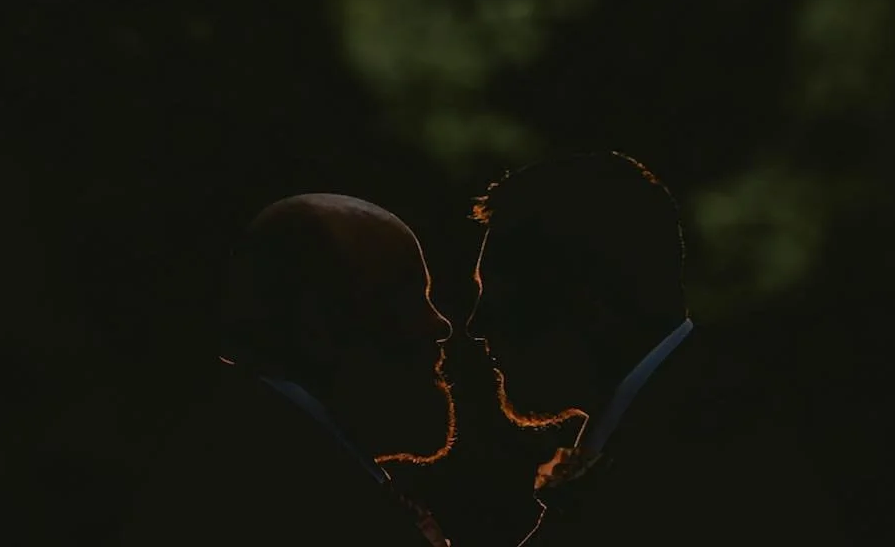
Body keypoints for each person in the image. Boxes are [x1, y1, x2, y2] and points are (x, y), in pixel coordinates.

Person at [467, 152, 845, 546]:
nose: (477, 326)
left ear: (588, 298)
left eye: (501, 298)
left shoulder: (707, 455)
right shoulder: (669, 418)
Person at [117, 193, 455, 546]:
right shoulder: (273, 493)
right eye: (406, 295)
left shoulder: (253, 453)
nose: (440, 324)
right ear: (317, 324)